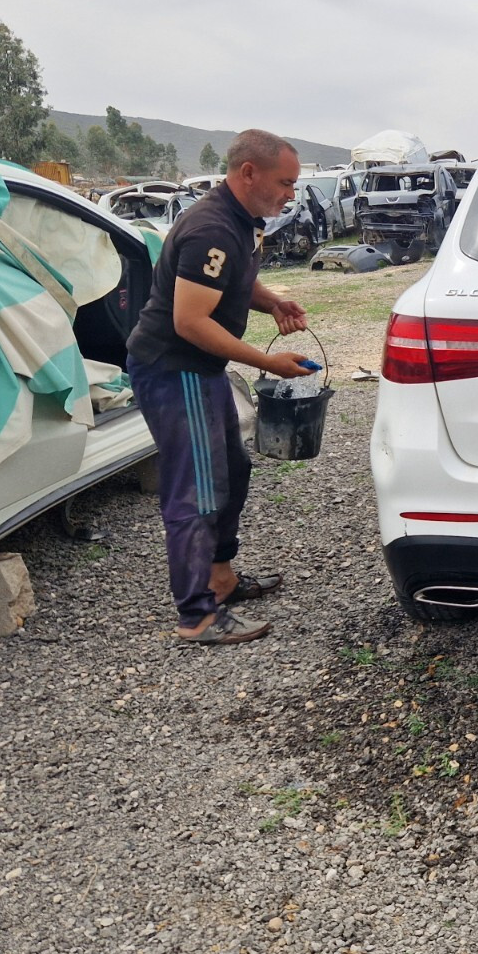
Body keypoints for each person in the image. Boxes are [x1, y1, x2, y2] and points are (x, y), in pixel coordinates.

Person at [126, 129, 315, 644]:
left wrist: (272, 301)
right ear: (248, 172)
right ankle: (198, 615)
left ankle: (222, 578)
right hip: (175, 367)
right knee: (196, 490)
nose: (290, 195)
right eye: (285, 183)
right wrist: (267, 362)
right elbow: (190, 321)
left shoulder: (243, 221)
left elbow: (236, 279)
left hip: (201, 368)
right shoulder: (210, 228)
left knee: (232, 467)